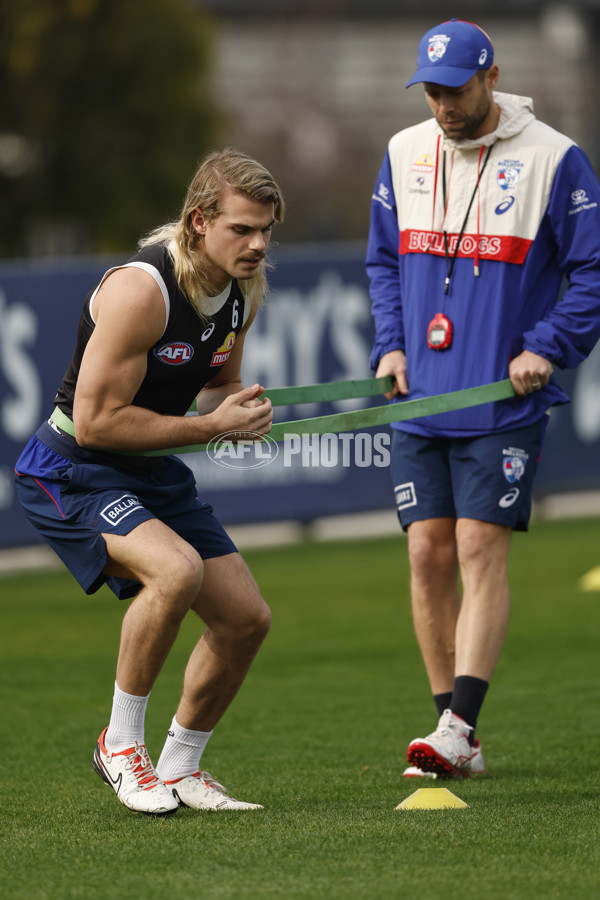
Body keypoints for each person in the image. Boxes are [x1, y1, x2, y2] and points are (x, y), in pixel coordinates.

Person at [14, 148, 285, 815]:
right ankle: (120, 745)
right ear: (199, 222)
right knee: (176, 570)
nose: (257, 245)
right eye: (242, 230)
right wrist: (211, 427)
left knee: (246, 620)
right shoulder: (142, 290)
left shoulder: (243, 289)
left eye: (265, 231)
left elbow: (216, 387)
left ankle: (182, 768)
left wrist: (237, 411)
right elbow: (96, 423)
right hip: (71, 469)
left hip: (148, 470)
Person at [366, 19, 600, 779]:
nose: (443, 106)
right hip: (418, 398)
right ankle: (451, 728)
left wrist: (548, 346)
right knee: (426, 553)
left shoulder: (555, 158)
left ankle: (460, 725)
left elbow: (594, 270)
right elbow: (382, 261)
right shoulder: (403, 151)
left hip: (502, 400)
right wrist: (390, 344)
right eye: (431, 92)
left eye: (456, 90)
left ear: (491, 78)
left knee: (476, 547)